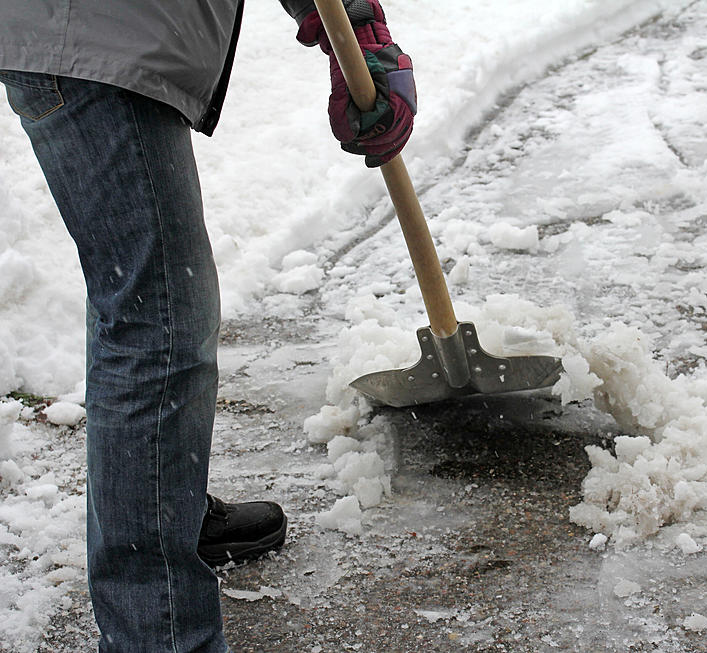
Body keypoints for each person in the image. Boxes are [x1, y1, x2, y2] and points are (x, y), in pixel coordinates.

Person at [0, 0, 416, 650]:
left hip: (86, 31)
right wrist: (361, 28)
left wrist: (353, 31)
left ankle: (165, 511)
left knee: (144, 309)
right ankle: (159, 633)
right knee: (156, 323)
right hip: (93, 31)